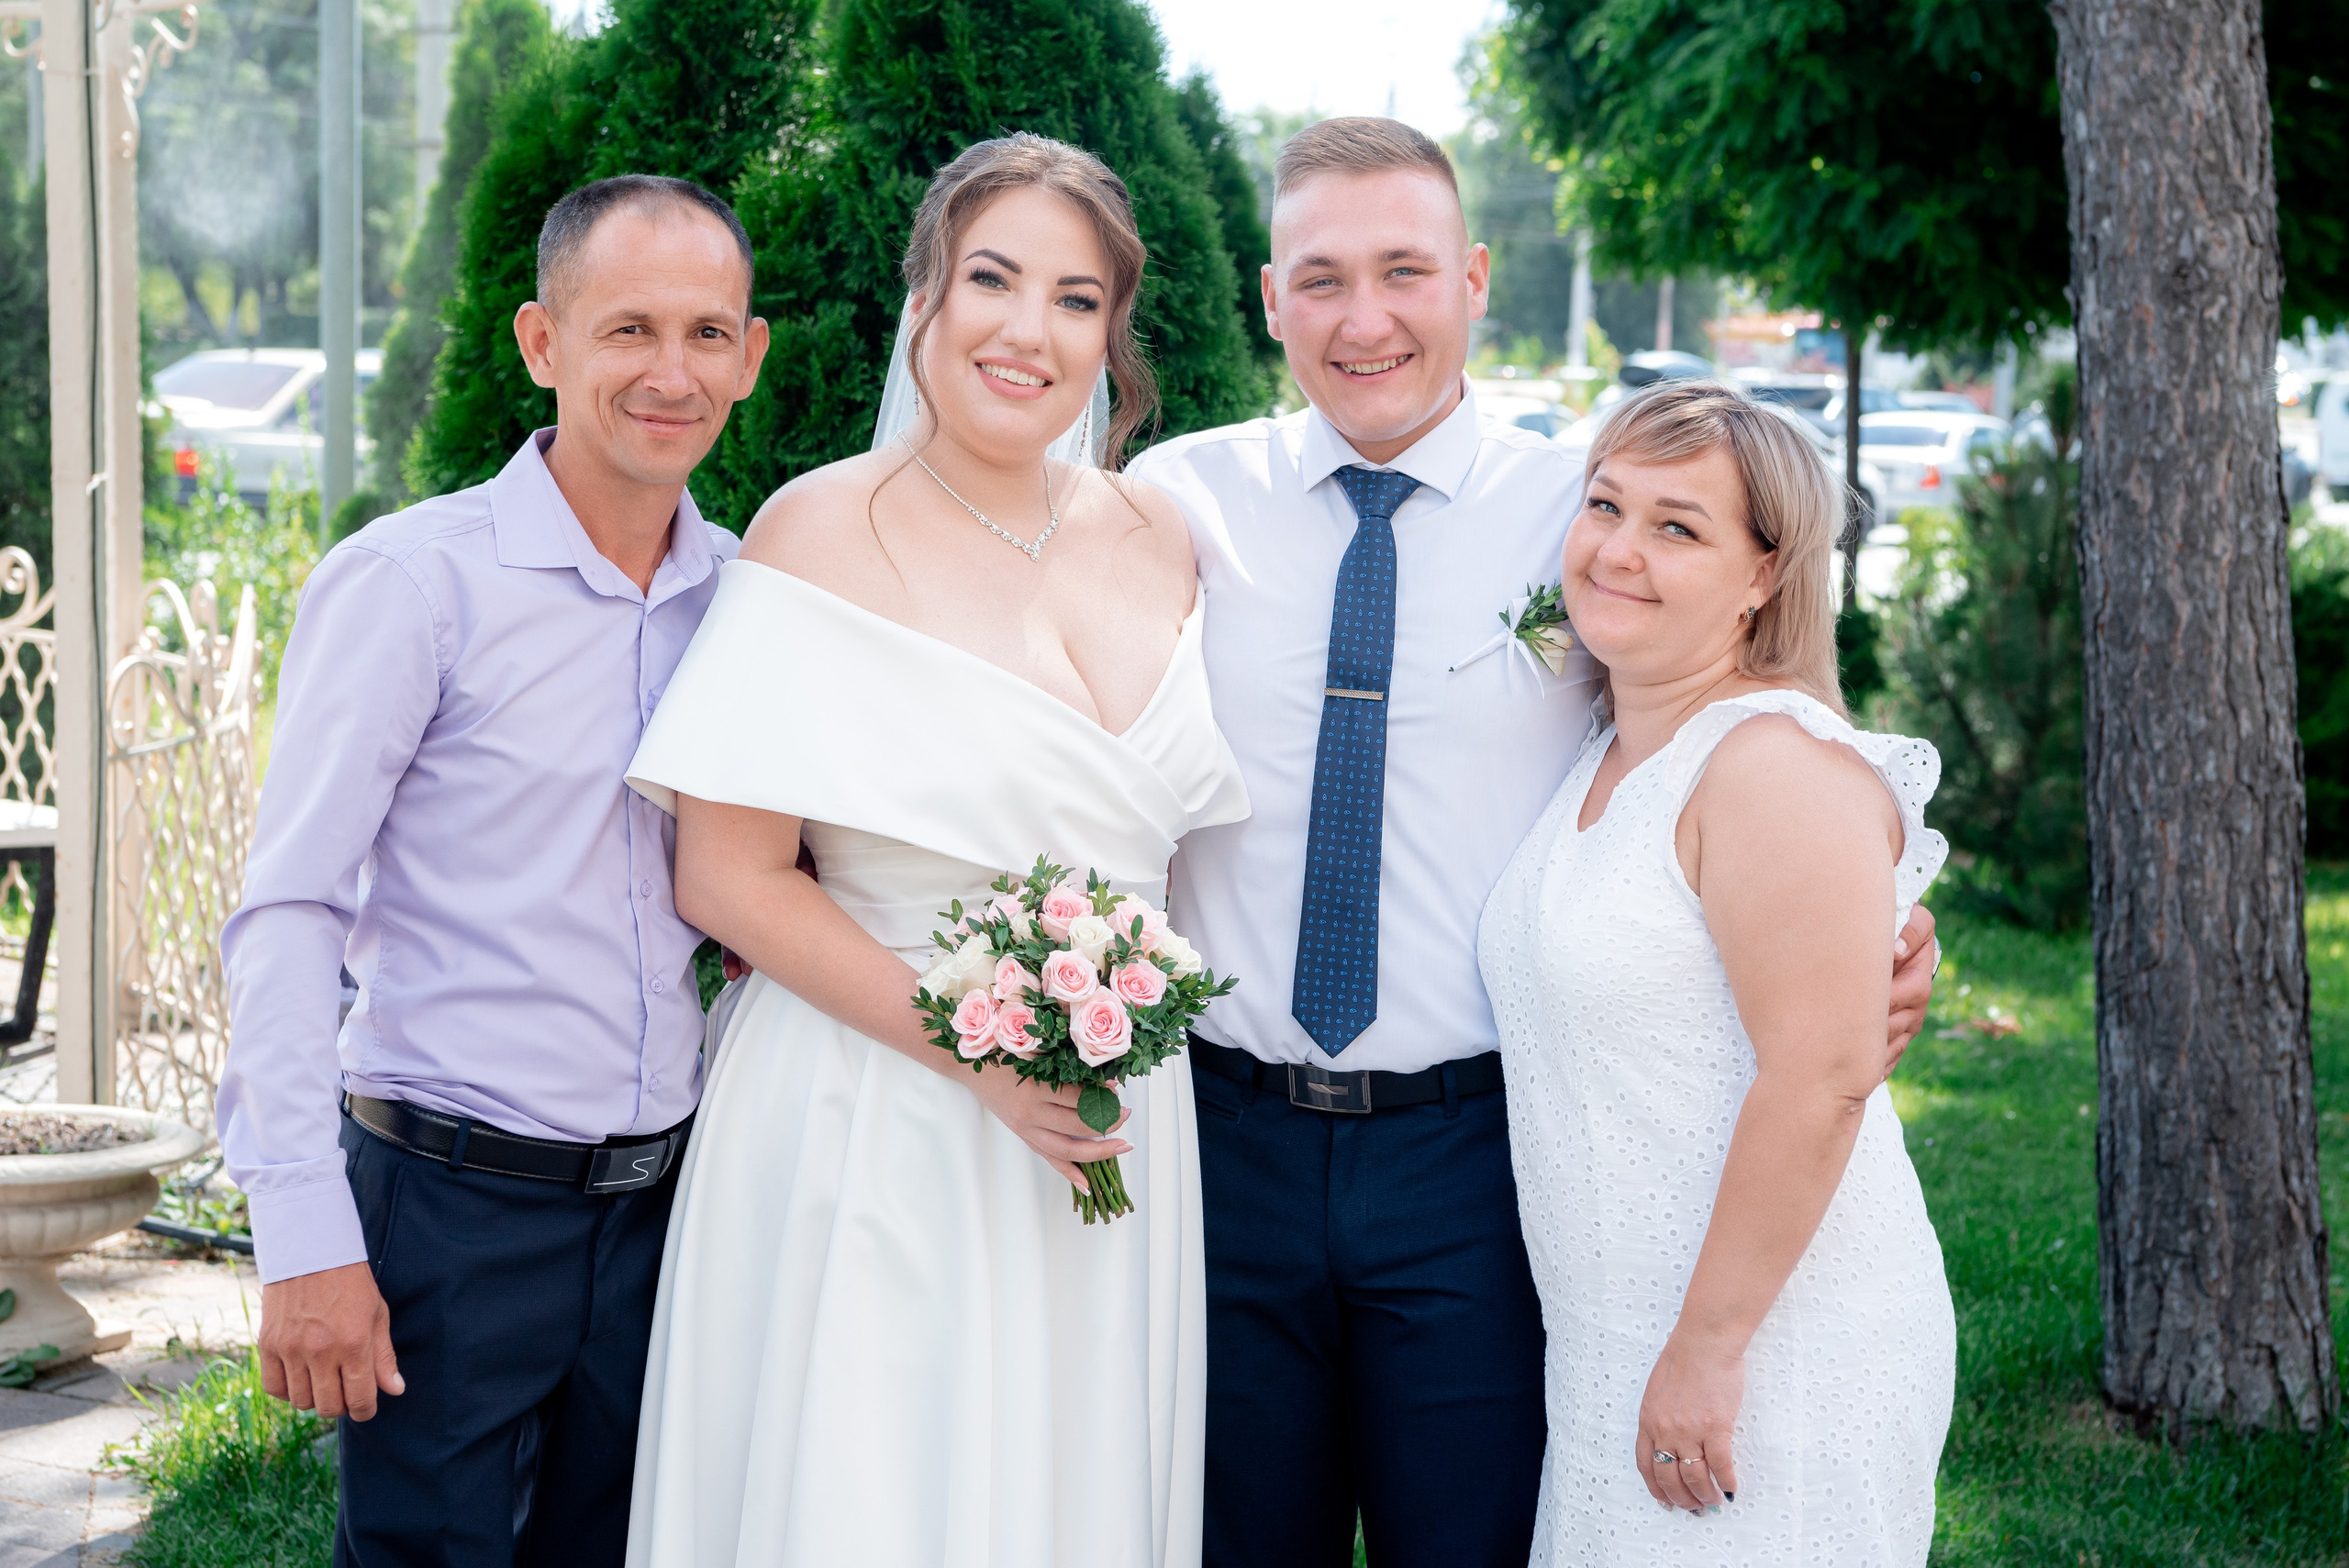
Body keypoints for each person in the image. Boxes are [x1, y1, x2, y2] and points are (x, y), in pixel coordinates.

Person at [1127, 117, 1941, 1568]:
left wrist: (1873, 917)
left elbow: (1759, 700)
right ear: (1267, 297)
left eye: (1405, 271)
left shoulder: (1590, 507)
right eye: (1320, 279)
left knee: (1482, 1535)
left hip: (1478, 1163)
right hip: (1221, 1141)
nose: (1363, 318)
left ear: (1477, 276)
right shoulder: (1170, 506)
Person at [620, 133, 1247, 1568]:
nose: (1030, 330)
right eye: (993, 279)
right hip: (875, 1113)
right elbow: (726, 874)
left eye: (1077, 299)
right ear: (925, 299)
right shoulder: (819, 531)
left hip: (1114, 1130)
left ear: (1114, 332)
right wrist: (984, 1060)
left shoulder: (1167, 533)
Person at [216, 174, 769, 1565]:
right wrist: (301, 1232)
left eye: (708, 332)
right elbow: (287, 911)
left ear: (752, 357)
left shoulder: (750, 596)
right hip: (450, 1210)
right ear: (542, 343)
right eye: (627, 327)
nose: (670, 370)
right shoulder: (416, 584)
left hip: (665, 1209)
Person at [1477, 379, 1957, 1563]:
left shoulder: (1771, 765)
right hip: (1613, 1338)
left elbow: (1821, 1078)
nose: (1620, 550)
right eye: (1606, 507)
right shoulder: (1611, 744)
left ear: (1765, 575)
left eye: (1678, 526)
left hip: (1767, 1349)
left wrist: (1707, 1344)